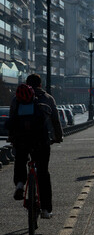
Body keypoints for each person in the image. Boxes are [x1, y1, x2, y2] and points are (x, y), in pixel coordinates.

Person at [8, 74, 63, 219]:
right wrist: (58, 136)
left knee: (20, 159)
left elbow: (12, 119)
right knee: (43, 173)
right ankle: (46, 210)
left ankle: (20, 184)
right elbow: (55, 120)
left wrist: (12, 138)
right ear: (41, 84)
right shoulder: (48, 98)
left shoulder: (17, 99)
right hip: (41, 140)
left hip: (22, 140)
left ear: (27, 83)